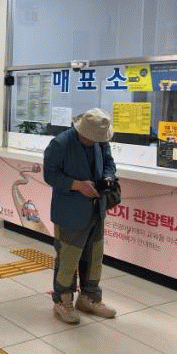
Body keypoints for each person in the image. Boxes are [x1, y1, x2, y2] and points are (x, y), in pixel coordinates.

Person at [43, 108, 117, 324]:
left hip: (96, 210)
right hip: (69, 213)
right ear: (82, 131)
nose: (97, 142)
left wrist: (108, 177)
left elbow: (109, 163)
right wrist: (76, 185)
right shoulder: (61, 144)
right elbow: (50, 174)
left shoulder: (100, 141)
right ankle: (62, 300)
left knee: (94, 256)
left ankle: (89, 298)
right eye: (92, 138)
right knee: (68, 258)